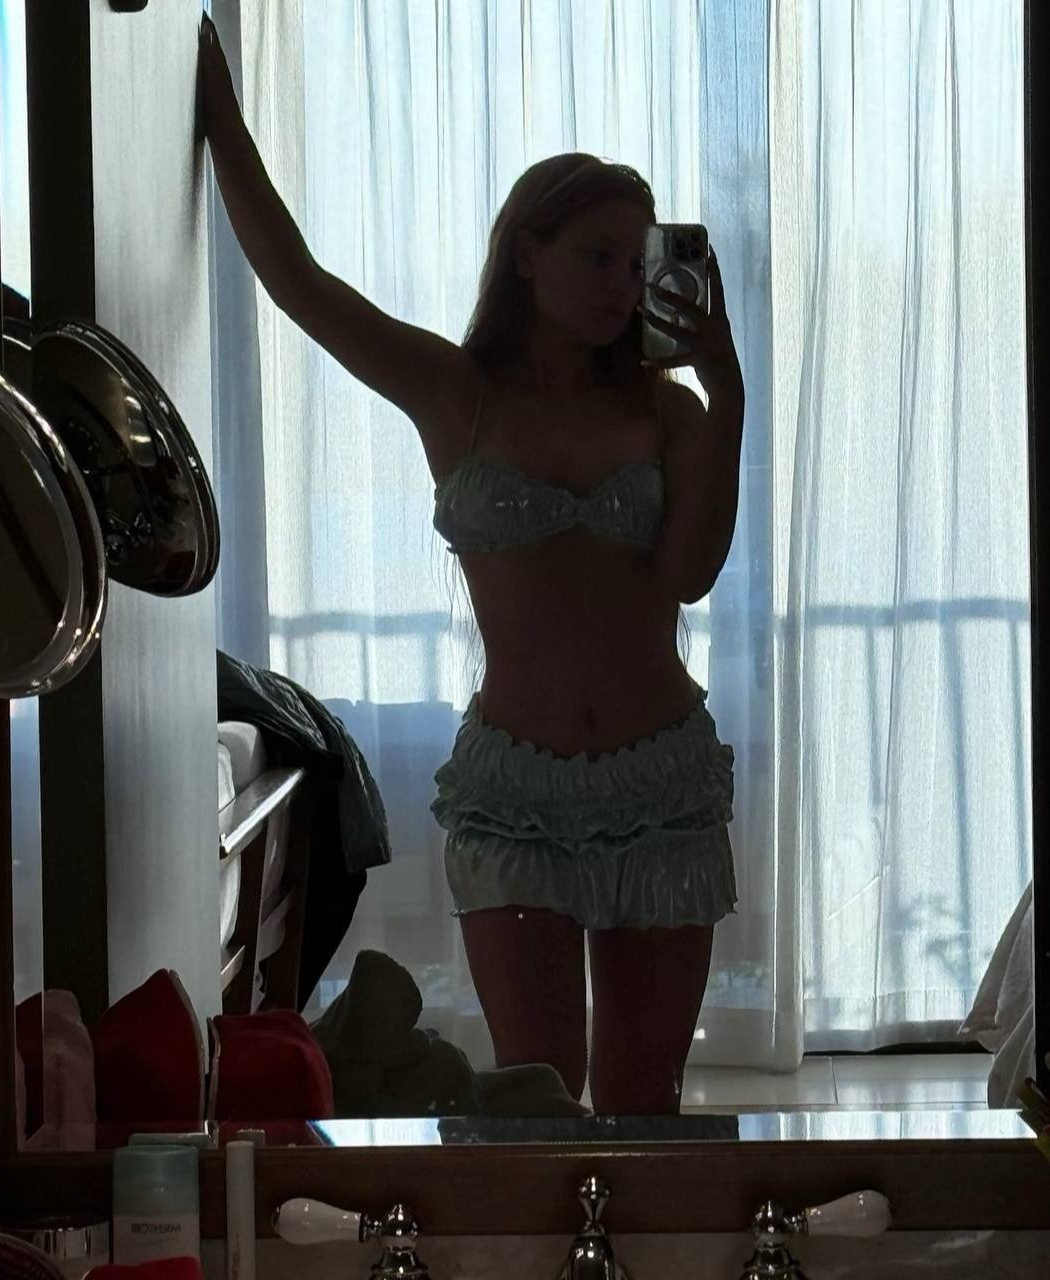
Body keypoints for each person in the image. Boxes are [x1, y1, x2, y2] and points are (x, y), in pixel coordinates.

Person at [198, 14, 745, 1115]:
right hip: (515, 792)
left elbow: (689, 575)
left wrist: (726, 383)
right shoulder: (457, 393)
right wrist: (211, 100)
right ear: (525, 253)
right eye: (595, 254)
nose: (619, 282)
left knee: (644, 1103)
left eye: (636, 260)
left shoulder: (669, 411)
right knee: (536, 1099)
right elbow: (299, 283)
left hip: (661, 783)